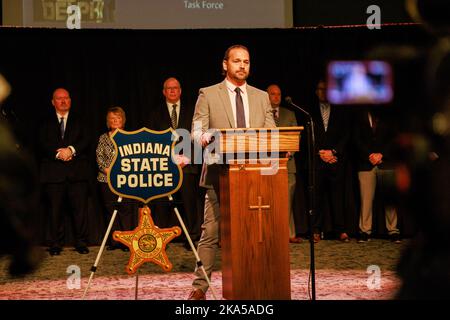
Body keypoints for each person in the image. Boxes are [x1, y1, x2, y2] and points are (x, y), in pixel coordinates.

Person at [188, 44, 275, 300]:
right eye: (237, 61)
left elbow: (271, 133)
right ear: (225, 64)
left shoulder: (261, 96)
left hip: (255, 176)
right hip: (219, 175)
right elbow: (195, 130)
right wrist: (204, 138)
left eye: (246, 62)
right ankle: (199, 287)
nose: (242, 66)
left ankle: (255, 282)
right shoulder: (208, 93)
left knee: (254, 234)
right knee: (211, 233)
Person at [149, 77, 205, 250]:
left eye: (175, 88)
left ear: (180, 91)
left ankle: (192, 237)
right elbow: (152, 141)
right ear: (164, 92)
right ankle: (162, 239)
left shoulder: (192, 111)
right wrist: (169, 160)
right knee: (162, 204)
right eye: (169, 88)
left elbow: (198, 137)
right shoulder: (155, 114)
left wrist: (186, 158)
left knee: (190, 203)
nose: (172, 91)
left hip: (187, 166)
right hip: (165, 167)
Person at [38, 88, 90, 256]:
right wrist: (59, 153)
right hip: (53, 173)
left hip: (77, 173)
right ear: (53, 102)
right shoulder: (44, 121)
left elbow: (86, 139)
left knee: (80, 211)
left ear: (70, 100)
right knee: (54, 211)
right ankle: (55, 244)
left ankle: (81, 242)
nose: (63, 101)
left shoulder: (80, 119)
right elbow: (40, 142)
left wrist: (71, 150)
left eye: (66, 98)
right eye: (59, 99)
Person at [354, 107, 401, 243]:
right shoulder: (359, 115)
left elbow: (395, 138)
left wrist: (382, 154)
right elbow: (356, 139)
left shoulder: (389, 114)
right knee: (366, 200)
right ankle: (364, 231)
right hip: (365, 163)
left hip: (386, 162)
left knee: (390, 198)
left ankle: (393, 230)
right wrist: (369, 155)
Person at [311, 80, 350, 243]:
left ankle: (340, 230)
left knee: (337, 196)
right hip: (318, 160)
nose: (323, 92)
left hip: (335, 160)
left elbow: (345, 134)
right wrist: (320, 152)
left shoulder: (340, 110)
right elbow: (307, 135)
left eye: (326, 89)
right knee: (316, 197)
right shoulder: (310, 112)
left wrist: (333, 152)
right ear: (316, 92)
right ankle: (316, 230)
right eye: (320, 89)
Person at [96, 106, 136, 252]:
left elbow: (134, 159)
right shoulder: (103, 138)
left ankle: (126, 242)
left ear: (123, 120)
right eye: (112, 118)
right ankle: (114, 242)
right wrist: (112, 174)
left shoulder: (130, 137)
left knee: (126, 211)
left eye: (118, 118)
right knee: (110, 210)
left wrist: (123, 174)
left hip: (126, 180)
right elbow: (100, 160)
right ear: (108, 121)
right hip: (106, 180)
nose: (115, 121)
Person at [267, 84, 301, 244]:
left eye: (278, 94)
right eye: (272, 94)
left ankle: (289, 234)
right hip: (267, 164)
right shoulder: (262, 114)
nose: (276, 97)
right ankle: (271, 233)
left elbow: (296, 136)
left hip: (288, 164)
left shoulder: (290, 114)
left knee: (286, 200)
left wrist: (290, 151)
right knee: (268, 200)